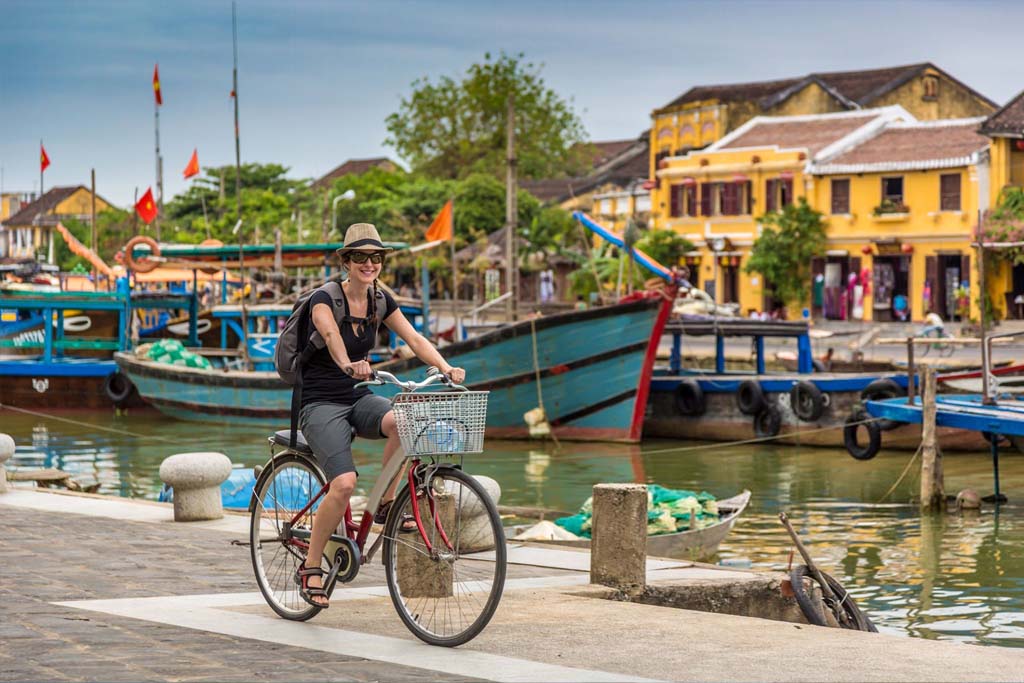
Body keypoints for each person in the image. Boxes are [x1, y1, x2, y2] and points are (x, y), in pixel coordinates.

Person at [295, 223, 466, 609]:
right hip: (320, 403)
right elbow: (333, 337)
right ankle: (310, 566)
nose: (369, 264)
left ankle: (387, 503)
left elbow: (415, 339)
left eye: (376, 257)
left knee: (406, 421)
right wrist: (347, 364)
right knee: (342, 484)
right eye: (360, 257)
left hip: (358, 396)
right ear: (346, 261)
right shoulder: (325, 298)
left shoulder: (379, 299)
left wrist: (445, 367)